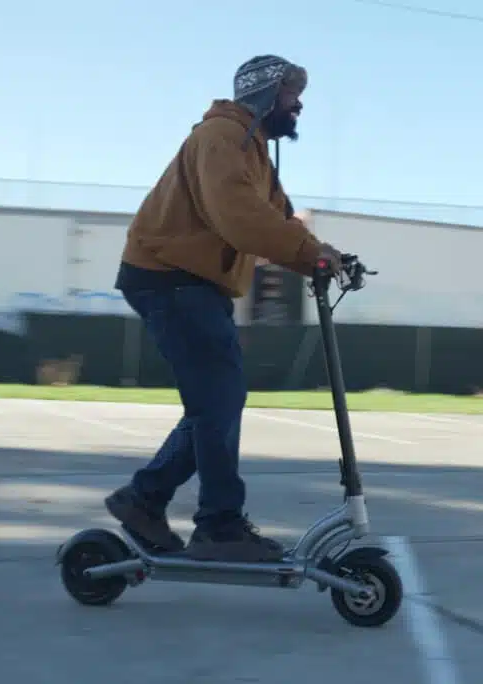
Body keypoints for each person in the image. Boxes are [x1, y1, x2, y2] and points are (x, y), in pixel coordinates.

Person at [104, 55, 342, 563]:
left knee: (217, 401)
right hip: (170, 277)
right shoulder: (222, 138)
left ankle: (144, 499)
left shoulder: (252, 150)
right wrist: (310, 256)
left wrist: (325, 256)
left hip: (191, 282)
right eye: (291, 94)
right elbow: (241, 218)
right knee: (218, 398)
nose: (298, 105)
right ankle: (218, 526)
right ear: (264, 94)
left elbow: (277, 219)